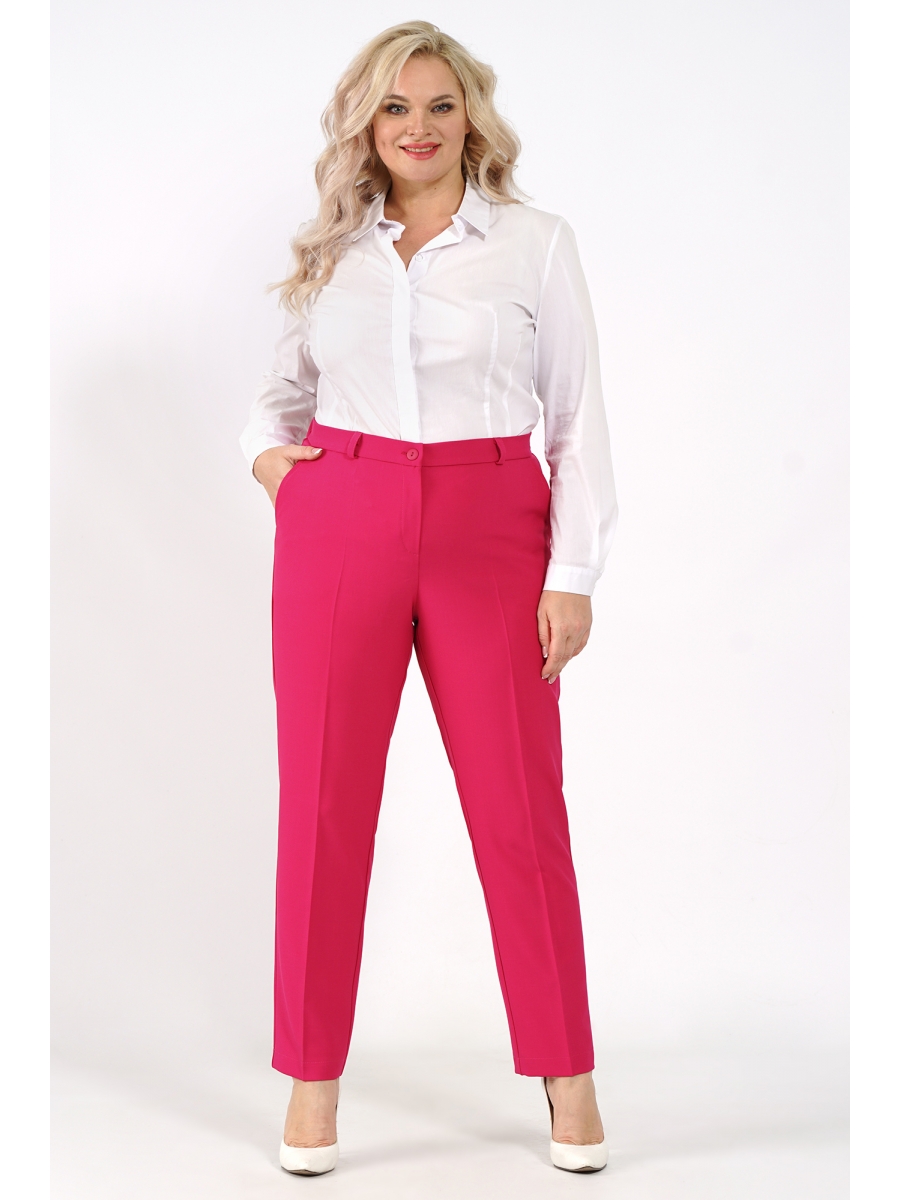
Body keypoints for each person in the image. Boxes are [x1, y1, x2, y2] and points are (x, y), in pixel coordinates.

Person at [240, 20, 617, 1176]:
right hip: (341, 521)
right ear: (366, 125)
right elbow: (276, 399)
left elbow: (577, 417)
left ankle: (568, 1073)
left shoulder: (534, 244)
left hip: (491, 526)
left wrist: (572, 574)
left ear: (471, 118)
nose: (418, 127)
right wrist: (278, 471)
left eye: (439, 106)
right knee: (322, 805)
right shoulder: (330, 251)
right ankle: (311, 1083)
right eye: (395, 108)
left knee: (519, 808)